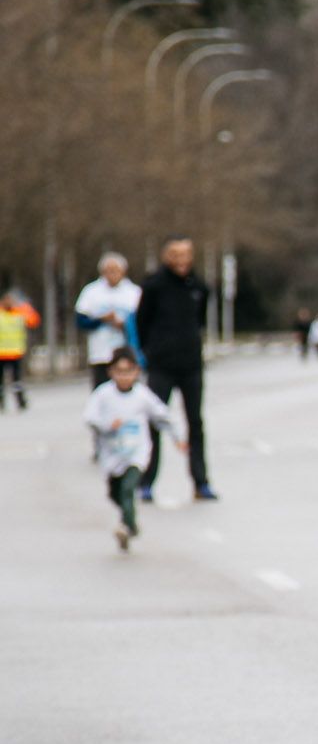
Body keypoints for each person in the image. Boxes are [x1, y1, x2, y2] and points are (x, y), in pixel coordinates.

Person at [134, 236, 215, 501]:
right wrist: (150, 352)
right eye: (175, 255)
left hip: (191, 365)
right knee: (155, 421)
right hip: (161, 365)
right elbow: (141, 323)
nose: (181, 260)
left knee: (196, 423)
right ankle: (147, 481)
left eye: (185, 254)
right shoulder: (154, 286)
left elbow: (200, 319)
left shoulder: (198, 286)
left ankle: (200, 482)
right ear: (166, 257)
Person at [84, 349, 183, 551]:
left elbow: (161, 415)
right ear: (111, 372)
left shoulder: (141, 395)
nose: (124, 377)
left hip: (136, 452)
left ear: (136, 372)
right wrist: (107, 425)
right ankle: (130, 522)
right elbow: (90, 418)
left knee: (129, 488)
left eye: (128, 371)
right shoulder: (104, 394)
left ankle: (127, 526)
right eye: (119, 372)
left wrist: (177, 437)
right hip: (112, 453)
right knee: (115, 493)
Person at [75, 254, 143, 389]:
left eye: (115, 270)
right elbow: (80, 321)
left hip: (127, 353)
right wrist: (101, 320)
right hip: (101, 354)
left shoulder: (134, 292)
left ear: (123, 271)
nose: (112, 274)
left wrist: (126, 325)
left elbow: (143, 322)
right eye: (108, 271)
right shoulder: (92, 291)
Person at [0, 291, 41, 410]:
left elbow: (34, 321)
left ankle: (20, 401)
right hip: (1, 353)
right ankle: (2, 403)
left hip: (15, 352)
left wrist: (25, 306)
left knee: (17, 382)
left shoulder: (19, 312)